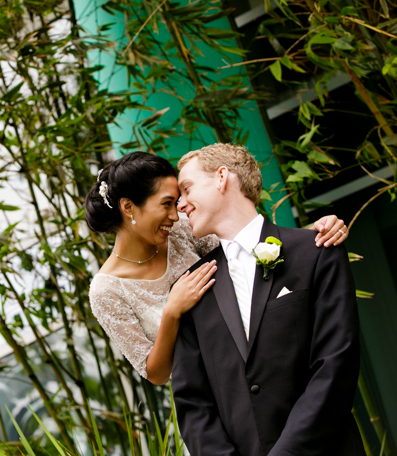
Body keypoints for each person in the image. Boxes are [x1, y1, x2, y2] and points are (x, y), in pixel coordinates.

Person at [86, 151, 348, 386]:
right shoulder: (106, 291)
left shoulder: (182, 231)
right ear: (128, 207)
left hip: (263, 367)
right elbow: (155, 373)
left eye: (178, 202)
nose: (177, 215)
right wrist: (172, 311)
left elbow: (246, 252)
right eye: (167, 204)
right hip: (207, 394)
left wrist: (312, 236)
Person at [172, 143, 364, 456]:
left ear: (222, 178)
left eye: (187, 188)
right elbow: (192, 403)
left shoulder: (315, 254)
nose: (181, 205)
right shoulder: (190, 289)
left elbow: (335, 363)